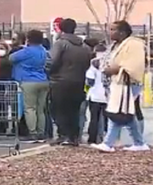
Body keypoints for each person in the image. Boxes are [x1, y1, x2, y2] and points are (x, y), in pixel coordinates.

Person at [92, 21, 149, 152]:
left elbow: (133, 65)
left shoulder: (134, 45)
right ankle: (139, 143)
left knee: (117, 111)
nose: (110, 32)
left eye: (113, 30)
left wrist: (113, 69)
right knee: (126, 112)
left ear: (122, 32)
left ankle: (108, 143)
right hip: (116, 83)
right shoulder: (115, 45)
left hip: (127, 83)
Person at [48, 18, 92, 146]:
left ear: (60, 28)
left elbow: (52, 61)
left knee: (59, 109)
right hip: (78, 81)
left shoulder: (60, 44)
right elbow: (87, 63)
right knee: (74, 110)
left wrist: (50, 73)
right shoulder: (85, 46)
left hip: (60, 81)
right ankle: (74, 136)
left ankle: (63, 135)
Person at [10, 29, 48, 142]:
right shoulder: (43, 50)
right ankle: (41, 132)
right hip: (43, 80)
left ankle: (32, 132)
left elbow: (11, 58)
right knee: (40, 109)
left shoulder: (27, 51)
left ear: (28, 39)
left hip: (28, 81)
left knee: (30, 108)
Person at [86, 44, 109, 144]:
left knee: (94, 118)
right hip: (108, 95)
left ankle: (92, 139)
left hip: (95, 94)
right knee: (107, 118)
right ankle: (107, 138)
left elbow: (90, 80)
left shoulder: (93, 63)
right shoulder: (110, 62)